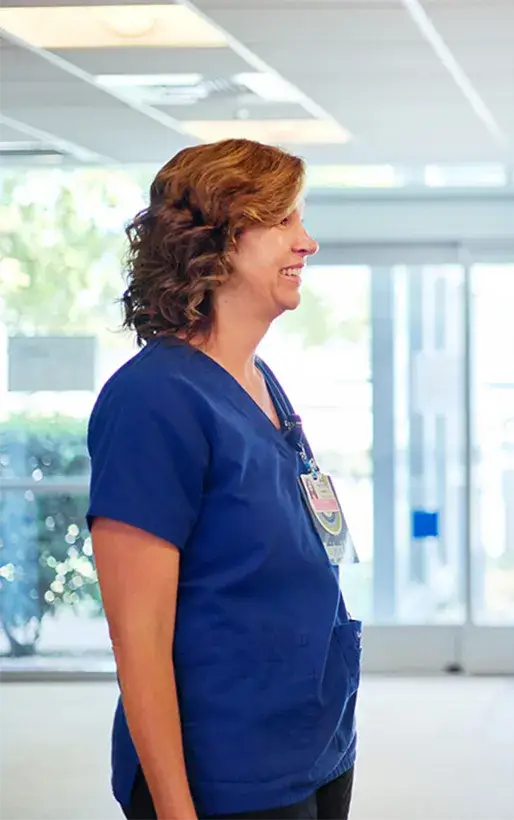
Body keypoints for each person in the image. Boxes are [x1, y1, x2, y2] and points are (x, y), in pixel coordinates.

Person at [88, 139, 361, 820]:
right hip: (228, 774)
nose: (308, 243)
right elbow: (140, 638)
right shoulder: (155, 399)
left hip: (314, 749)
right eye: (284, 222)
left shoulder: (260, 380)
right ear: (216, 241)